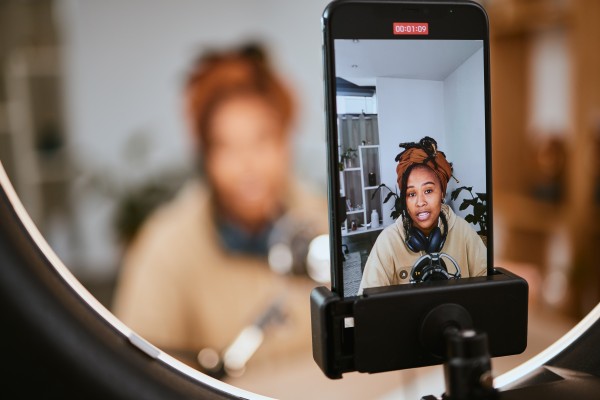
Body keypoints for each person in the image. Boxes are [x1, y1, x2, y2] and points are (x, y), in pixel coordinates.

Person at [112, 43, 327, 377]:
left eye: (262, 140)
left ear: (286, 141)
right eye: (227, 146)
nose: (248, 165)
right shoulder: (165, 247)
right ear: (206, 157)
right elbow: (136, 372)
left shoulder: (328, 222)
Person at [358, 137, 487, 293]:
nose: (420, 202)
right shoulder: (388, 242)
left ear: (442, 194)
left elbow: (489, 288)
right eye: (411, 194)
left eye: (428, 191)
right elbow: (365, 303)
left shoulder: (464, 232)